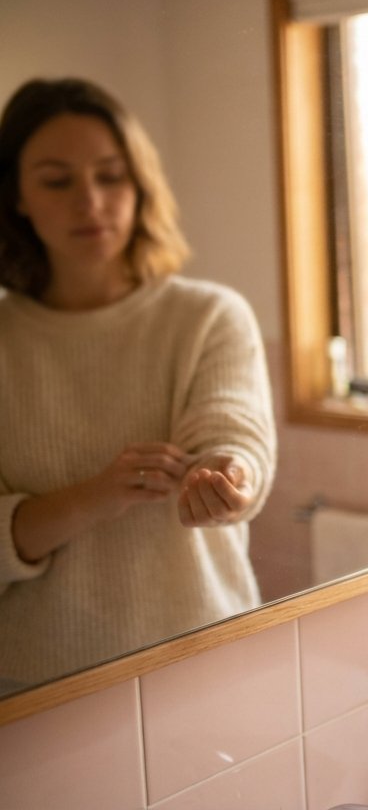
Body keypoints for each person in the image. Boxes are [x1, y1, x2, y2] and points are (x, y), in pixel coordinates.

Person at [0, 78, 277, 685]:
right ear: (16, 195)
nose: (90, 202)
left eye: (111, 175)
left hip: (206, 663)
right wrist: (98, 495)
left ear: (141, 183)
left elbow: (235, 435)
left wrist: (227, 476)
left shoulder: (208, 316)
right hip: (38, 694)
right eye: (56, 180)